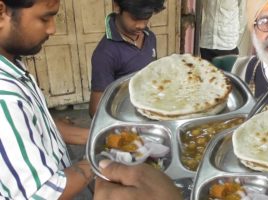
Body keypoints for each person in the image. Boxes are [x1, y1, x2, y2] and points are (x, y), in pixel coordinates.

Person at [0, 0, 182, 199]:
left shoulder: (13, 65)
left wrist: (111, 139)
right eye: (45, 18)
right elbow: (42, 193)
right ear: (2, 11)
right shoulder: (5, 98)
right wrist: (102, 158)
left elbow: (38, 126)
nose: (53, 29)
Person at [89, 0, 165, 117]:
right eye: (135, 18)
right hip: (125, 118)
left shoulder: (150, 38)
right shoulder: (105, 54)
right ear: (117, 7)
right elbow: (95, 111)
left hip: (150, 111)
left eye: (146, 17)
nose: (141, 25)